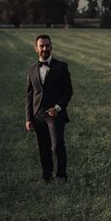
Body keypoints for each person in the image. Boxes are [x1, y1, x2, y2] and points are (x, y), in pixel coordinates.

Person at [25, 35, 73, 183]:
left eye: (47, 45)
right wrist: (28, 118)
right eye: (41, 46)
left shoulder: (61, 66)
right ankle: (47, 176)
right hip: (38, 114)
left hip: (55, 113)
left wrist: (58, 108)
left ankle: (61, 176)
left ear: (51, 47)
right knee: (43, 146)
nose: (45, 48)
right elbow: (29, 95)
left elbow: (68, 91)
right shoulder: (31, 69)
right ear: (36, 49)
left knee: (57, 144)